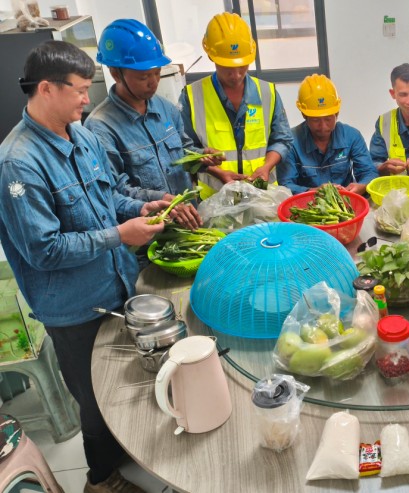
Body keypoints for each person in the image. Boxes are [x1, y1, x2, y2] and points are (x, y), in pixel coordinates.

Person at [0, 40, 168, 493]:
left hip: (117, 286)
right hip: (75, 310)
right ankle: (102, 480)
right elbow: (44, 250)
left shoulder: (83, 134)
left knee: (128, 390)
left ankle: (133, 463)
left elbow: (108, 194)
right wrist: (120, 235)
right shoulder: (19, 163)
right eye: (77, 90)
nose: (86, 99)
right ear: (46, 89)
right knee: (94, 405)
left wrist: (143, 205)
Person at [86, 19, 222, 229]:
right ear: (115, 73)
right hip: (148, 236)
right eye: (143, 77)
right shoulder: (100, 128)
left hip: (189, 223)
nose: (154, 82)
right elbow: (114, 191)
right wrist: (163, 200)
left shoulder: (166, 108)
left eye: (157, 73)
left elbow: (183, 152)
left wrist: (201, 157)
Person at [179, 12, 292, 199]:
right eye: (227, 67)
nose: (237, 74)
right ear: (211, 55)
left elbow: (282, 140)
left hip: (262, 196)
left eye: (242, 65)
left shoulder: (267, 92)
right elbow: (183, 149)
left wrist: (266, 167)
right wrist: (215, 170)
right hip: (216, 199)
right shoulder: (192, 96)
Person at [277, 74, 378, 195]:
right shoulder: (290, 142)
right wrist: (313, 192)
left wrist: (361, 186)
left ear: (337, 113)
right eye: (315, 120)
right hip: (307, 206)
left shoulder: (352, 136)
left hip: (346, 204)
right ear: (304, 115)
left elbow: (369, 172)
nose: (323, 126)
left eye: (328, 119)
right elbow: (285, 185)